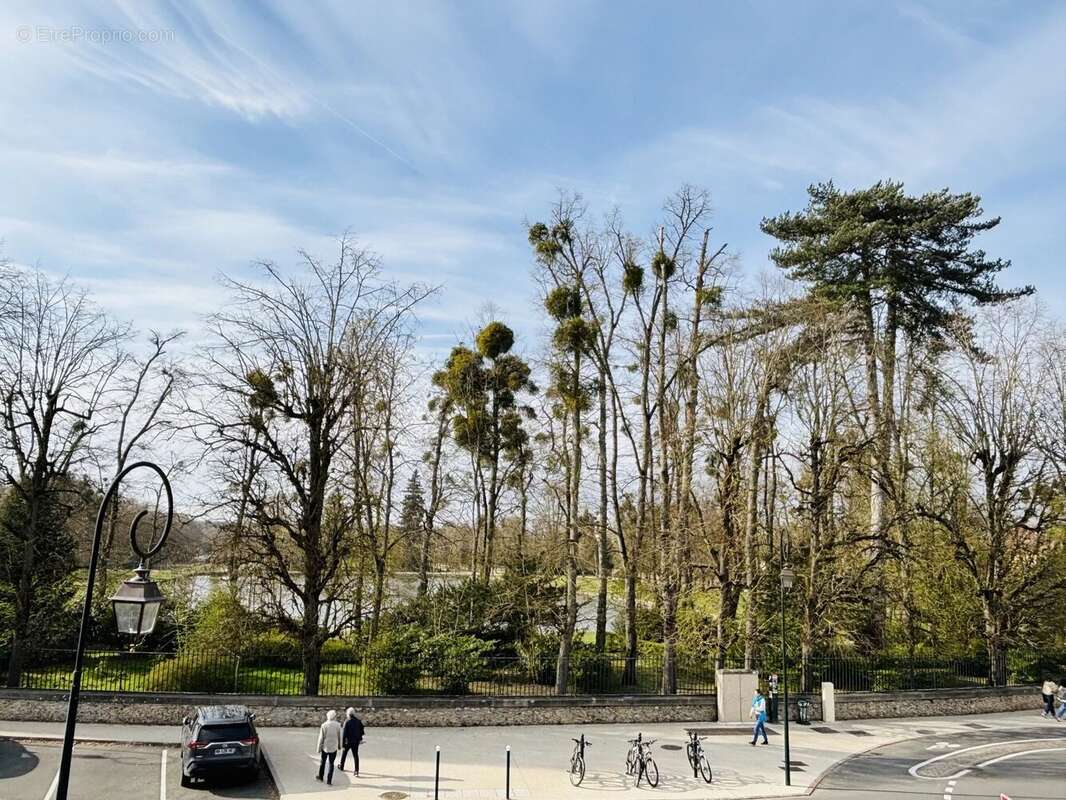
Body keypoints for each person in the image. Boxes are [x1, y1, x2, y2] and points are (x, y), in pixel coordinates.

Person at [316, 709, 343, 784]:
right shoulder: (338, 725)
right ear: (334, 717)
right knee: (331, 763)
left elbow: (321, 738)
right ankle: (329, 780)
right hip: (333, 747)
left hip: (325, 747)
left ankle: (321, 777)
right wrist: (340, 746)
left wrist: (318, 748)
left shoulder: (324, 725)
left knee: (323, 762)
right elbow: (339, 737)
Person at [339, 707, 365, 775]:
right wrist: (360, 738)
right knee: (355, 755)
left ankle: (341, 766)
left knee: (344, 754)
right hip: (355, 741)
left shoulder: (347, 722)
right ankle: (356, 770)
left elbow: (344, 734)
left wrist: (343, 744)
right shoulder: (358, 721)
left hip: (348, 741)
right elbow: (362, 731)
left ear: (348, 714)